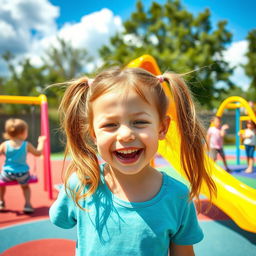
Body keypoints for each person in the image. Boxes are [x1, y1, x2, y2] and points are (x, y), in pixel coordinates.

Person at [49, 67, 216, 256]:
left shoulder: (177, 197)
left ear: (162, 128)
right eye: (110, 125)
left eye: (140, 122)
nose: (126, 135)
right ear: (93, 134)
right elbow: (60, 218)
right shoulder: (81, 185)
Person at [0, 118, 46, 213]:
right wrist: (41, 142)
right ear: (22, 133)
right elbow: (38, 153)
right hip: (22, 174)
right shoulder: (26, 145)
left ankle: (1, 202)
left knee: (1, 185)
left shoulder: (5, 145)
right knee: (25, 187)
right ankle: (28, 205)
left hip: (7, 174)